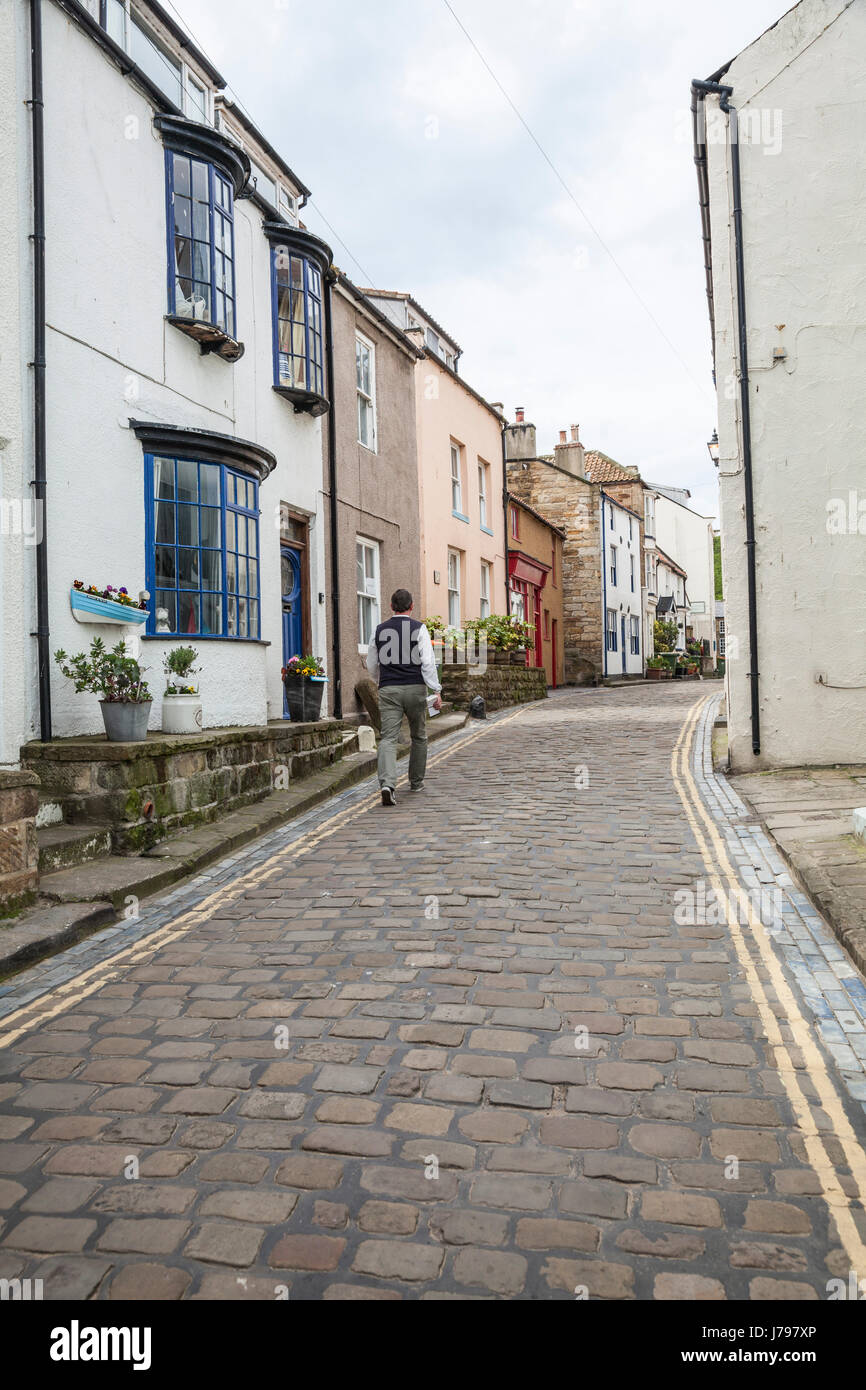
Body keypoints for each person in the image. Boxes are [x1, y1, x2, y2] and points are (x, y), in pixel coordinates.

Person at [366, 588, 442, 806]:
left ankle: (388, 785)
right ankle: (416, 782)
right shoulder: (419, 628)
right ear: (411, 607)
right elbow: (427, 663)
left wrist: (381, 680)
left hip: (389, 689)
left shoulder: (379, 630)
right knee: (419, 735)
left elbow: (372, 663)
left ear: (391, 606)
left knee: (388, 738)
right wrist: (436, 690)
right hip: (415, 688)